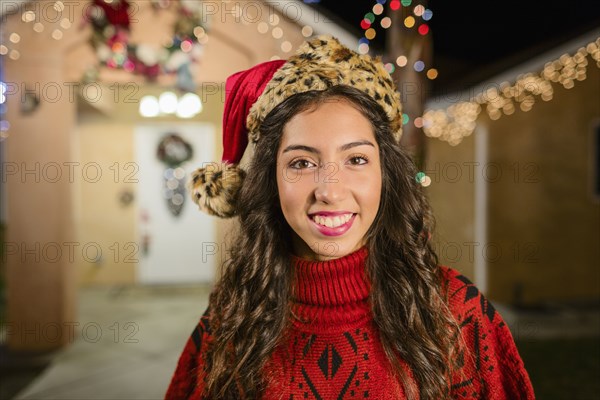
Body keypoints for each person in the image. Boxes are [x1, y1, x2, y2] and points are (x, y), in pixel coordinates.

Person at [165, 35, 535, 400]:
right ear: (270, 179)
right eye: (302, 162)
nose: (330, 190)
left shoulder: (456, 312)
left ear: (384, 174)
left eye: (356, 159)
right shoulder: (233, 313)